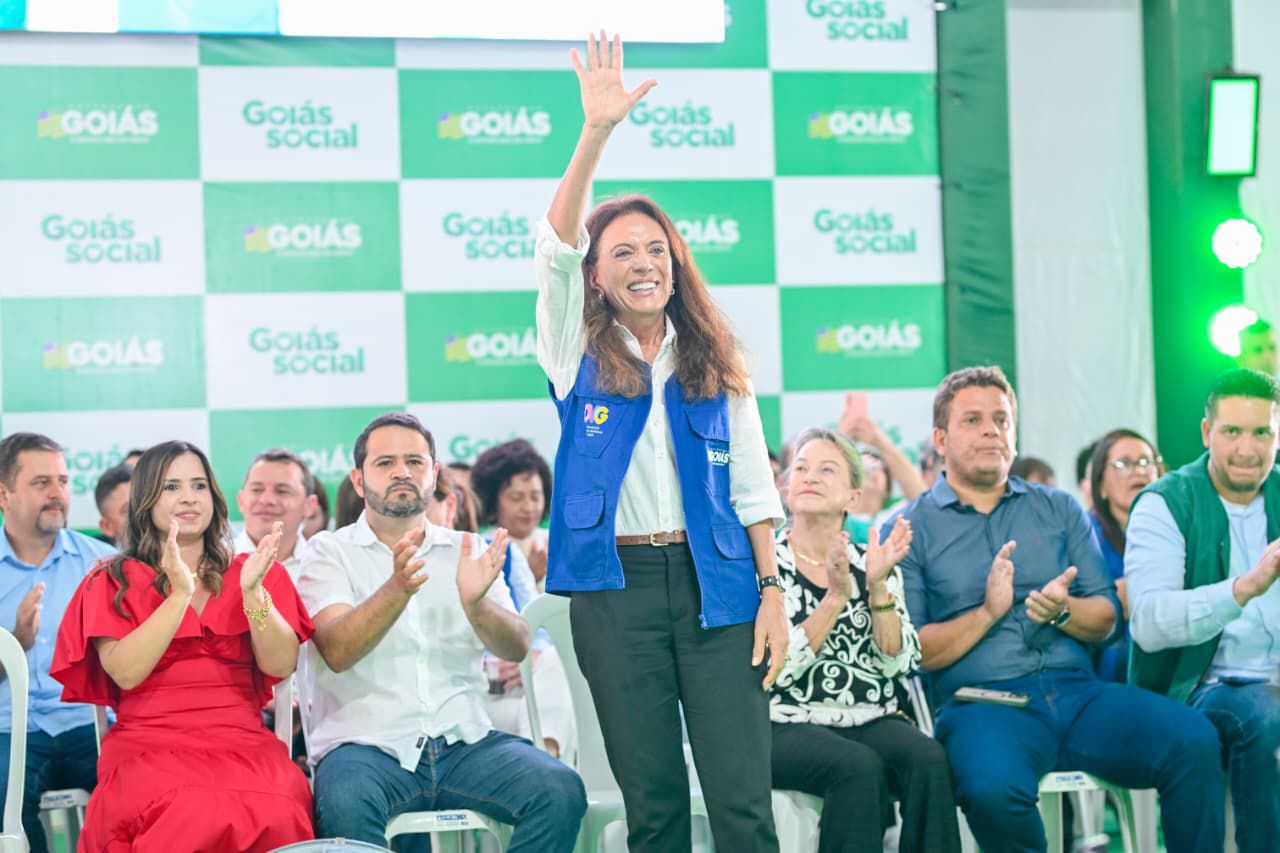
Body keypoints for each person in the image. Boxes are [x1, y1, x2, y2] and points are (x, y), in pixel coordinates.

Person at [537, 32, 787, 852]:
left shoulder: (716, 359)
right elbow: (553, 250)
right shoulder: (573, 349)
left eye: (657, 249)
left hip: (720, 586)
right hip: (617, 591)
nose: (644, 263)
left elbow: (752, 484)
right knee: (656, 810)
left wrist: (774, 592)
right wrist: (596, 134)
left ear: (675, 265)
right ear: (598, 275)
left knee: (744, 803)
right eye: (622, 253)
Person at [890, 366, 1224, 853]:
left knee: (1194, 739)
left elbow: (1107, 617)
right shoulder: (910, 527)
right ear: (940, 438)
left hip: (1078, 695)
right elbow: (915, 650)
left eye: (1002, 420)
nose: (991, 430)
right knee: (990, 790)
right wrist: (987, 613)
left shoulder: (1057, 508)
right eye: (974, 420)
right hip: (984, 706)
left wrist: (1063, 612)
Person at [297, 413, 585, 851]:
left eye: (415, 461)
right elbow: (336, 649)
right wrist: (397, 588)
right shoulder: (328, 553)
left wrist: (477, 605)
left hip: (464, 741)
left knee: (558, 789)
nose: (401, 472)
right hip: (364, 747)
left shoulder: (467, 550)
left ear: (433, 474)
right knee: (344, 806)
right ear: (359, 481)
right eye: (385, 462)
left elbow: (517, 644)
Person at [50, 440, 315, 851]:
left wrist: (253, 597)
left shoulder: (256, 573)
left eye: (199, 485)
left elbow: (280, 665)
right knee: (184, 807)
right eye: (171, 487)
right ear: (146, 500)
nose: (188, 497)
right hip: (148, 745)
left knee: (279, 802)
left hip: (242, 740)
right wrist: (178, 596)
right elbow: (125, 671)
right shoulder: (110, 579)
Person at [772, 428, 959, 853]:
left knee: (928, 759)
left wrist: (877, 589)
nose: (809, 477)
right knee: (856, 767)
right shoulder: (767, 566)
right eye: (800, 468)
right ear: (785, 488)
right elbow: (772, 668)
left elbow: (899, 664)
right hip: (783, 723)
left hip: (868, 717)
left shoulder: (873, 561)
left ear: (854, 497)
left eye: (827, 469)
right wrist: (835, 598)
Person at [1126, 368, 1280, 853]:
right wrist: (1241, 589)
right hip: (1196, 686)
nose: (1247, 449)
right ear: (1206, 432)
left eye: (1262, 433)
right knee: (1260, 717)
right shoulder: (1165, 502)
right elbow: (1149, 624)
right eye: (1232, 431)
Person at [0, 433, 115, 853]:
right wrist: (14, 646)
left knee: (135, 798)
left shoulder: (102, 564)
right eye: (41, 482)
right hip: (8, 729)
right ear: (4, 493)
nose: (57, 494)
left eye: (63, 482)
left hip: (89, 724)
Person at [470, 439, 575, 760]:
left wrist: (535, 655)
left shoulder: (560, 543)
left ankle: (545, 762)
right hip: (494, 672)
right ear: (494, 500)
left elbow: (544, 629)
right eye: (516, 498)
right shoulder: (480, 547)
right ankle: (545, 764)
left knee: (559, 663)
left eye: (535, 497)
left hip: (541, 662)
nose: (528, 507)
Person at [1085, 429, 1162, 682]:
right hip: (1109, 661)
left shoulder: (1180, 529)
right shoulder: (1084, 535)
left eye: (1146, 462)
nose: (1139, 471)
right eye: (1124, 464)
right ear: (1101, 485)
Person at [236, 448, 319, 581]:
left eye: (282, 491)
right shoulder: (216, 564)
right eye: (257, 489)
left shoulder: (322, 565)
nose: (266, 500)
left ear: (309, 505)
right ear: (241, 500)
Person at [94, 463, 133, 546]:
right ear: (107, 527)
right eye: (128, 511)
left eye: (144, 503)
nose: (142, 515)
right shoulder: (97, 557)